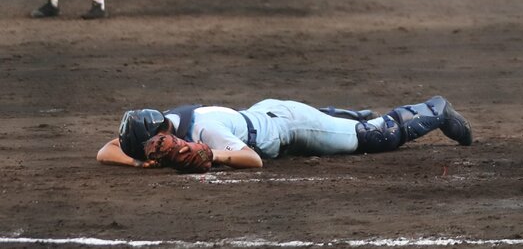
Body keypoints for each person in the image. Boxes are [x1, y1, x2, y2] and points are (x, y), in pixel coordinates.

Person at [99, 97, 472, 170]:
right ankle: (339, 113)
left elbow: (252, 158)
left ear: (162, 129)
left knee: (374, 138)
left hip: (291, 127)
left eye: (155, 146)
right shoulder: (161, 127)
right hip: (265, 112)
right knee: (335, 123)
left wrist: (214, 156)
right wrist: (137, 161)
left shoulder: (205, 130)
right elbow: (106, 150)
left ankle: (435, 110)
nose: (156, 153)